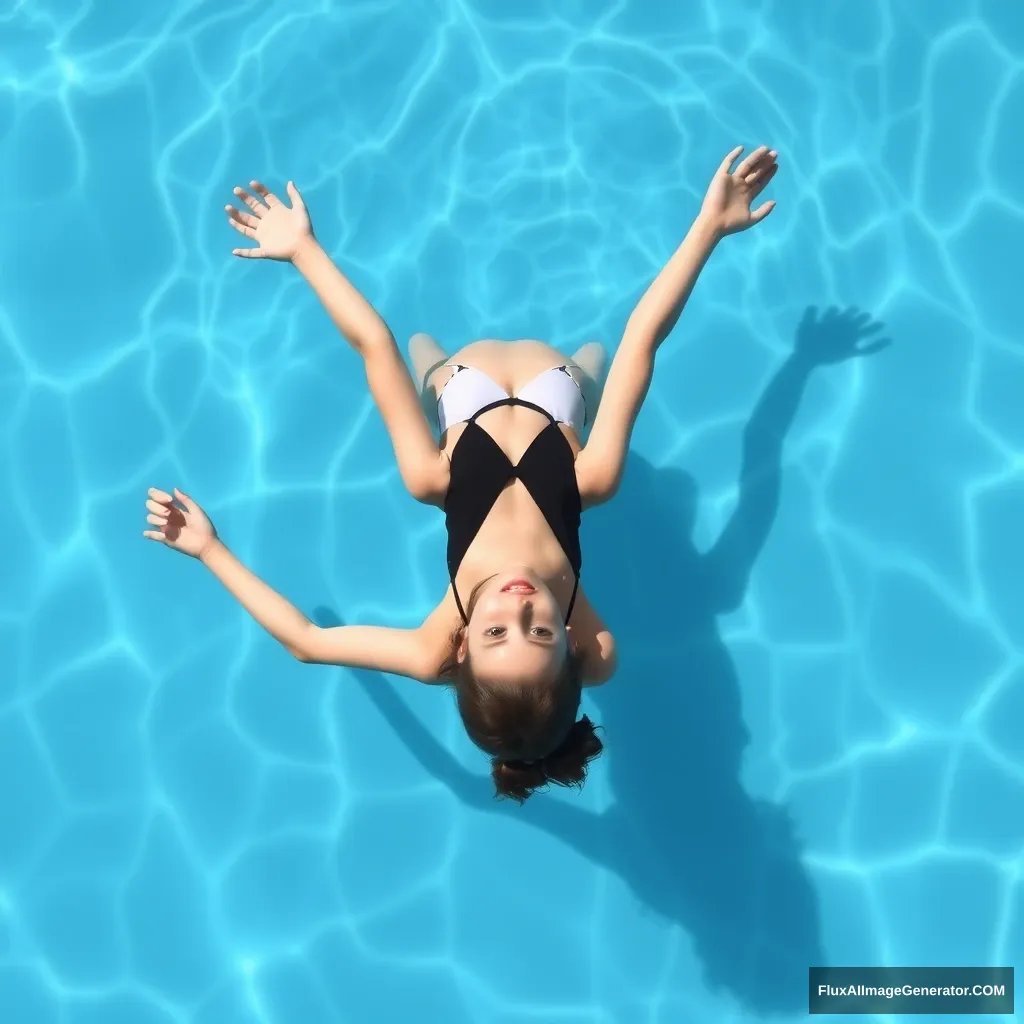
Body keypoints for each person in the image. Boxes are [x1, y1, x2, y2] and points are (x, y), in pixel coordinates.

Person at [143, 145, 779, 801]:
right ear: (569, 644)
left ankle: (439, 366)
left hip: (461, 387)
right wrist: (709, 229)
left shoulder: (431, 496)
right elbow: (644, 338)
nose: (519, 604)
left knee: (418, 356)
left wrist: (208, 550)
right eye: (539, 630)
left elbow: (308, 641)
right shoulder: (594, 482)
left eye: (498, 631)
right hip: (557, 385)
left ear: (463, 650)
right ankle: (567, 374)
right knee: (594, 361)